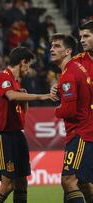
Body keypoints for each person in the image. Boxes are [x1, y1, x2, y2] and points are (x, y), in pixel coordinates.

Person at [0, 47, 55, 203]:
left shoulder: (16, 84)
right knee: (7, 185)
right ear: (22, 62)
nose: (29, 69)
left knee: (22, 182)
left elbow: (22, 112)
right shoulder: (2, 76)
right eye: (28, 65)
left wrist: (24, 98)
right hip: (2, 135)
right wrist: (42, 96)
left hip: (18, 134)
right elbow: (10, 96)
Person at [50, 33, 93, 203]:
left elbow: (69, 110)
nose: (52, 49)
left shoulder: (69, 74)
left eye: (57, 46)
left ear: (68, 51)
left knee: (68, 180)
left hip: (80, 134)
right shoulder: (77, 69)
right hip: (85, 131)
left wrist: (57, 112)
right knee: (83, 182)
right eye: (52, 46)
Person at [69, 20, 93, 203]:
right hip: (86, 132)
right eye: (81, 37)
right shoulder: (76, 63)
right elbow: (66, 84)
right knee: (77, 179)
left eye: (87, 36)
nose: (82, 40)